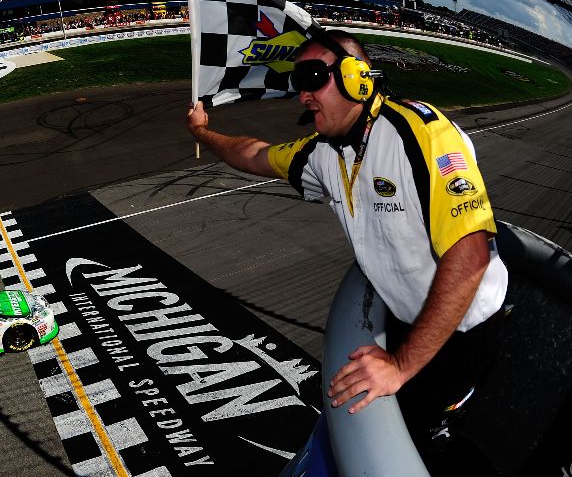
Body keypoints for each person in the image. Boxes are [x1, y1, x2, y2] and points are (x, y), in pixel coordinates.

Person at [186, 29, 507, 469]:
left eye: (314, 77)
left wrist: (400, 365)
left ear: (358, 78)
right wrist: (206, 134)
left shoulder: (419, 132)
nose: (303, 96)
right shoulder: (325, 154)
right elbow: (255, 154)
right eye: (299, 83)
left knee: (429, 439)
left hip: (464, 331)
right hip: (405, 315)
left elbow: (470, 256)